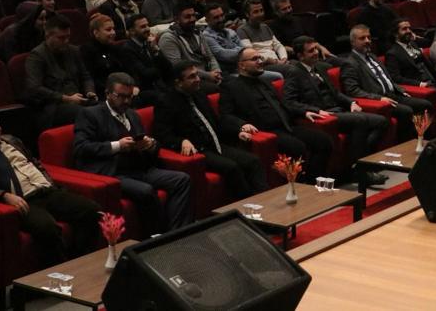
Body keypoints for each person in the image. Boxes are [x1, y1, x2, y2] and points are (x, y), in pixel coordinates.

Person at [0, 105, 102, 267]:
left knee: (92, 210)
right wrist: (3, 196)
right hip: (22, 201)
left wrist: (48, 182)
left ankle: (82, 261)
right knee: (47, 228)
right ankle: (62, 272)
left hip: (46, 191)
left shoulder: (11, 140)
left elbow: (34, 163)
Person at [73, 73, 192, 236]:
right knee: (146, 191)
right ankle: (156, 237)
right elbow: (81, 148)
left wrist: (150, 145)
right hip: (114, 173)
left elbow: (150, 145)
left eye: (129, 97)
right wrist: (118, 146)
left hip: (140, 168)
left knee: (182, 180)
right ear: (108, 94)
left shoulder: (133, 114)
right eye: (121, 96)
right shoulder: (90, 115)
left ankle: (178, 233)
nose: (127, 101)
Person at [154, 62, 267, 200]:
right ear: (178, 82)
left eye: (197, 75)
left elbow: (217, 122)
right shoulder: (166, 102)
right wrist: (181, 141)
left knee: (253, 161)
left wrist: (237, 131)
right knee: (232, 168)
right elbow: (162, 134)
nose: (198, 79)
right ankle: (247, 205)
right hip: (199, 150)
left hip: (217, 144)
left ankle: (264, 199)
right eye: (192, 77)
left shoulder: (199, 94)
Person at [283, 37, 388, 184]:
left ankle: (358, 166)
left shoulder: (320, 67)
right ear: (300, 55)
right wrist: (314, 110)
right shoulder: (294, 72)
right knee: (360, 120)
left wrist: (351, 102)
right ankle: (360, 170)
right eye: (311, 51)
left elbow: (335, 93)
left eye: (316, 48)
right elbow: (289, 102)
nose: (316, 52)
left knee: (381, 121)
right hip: (326, 115)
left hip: (338, 110)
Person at [219, 49, 333, 182]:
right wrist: (242, 124)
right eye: (255, 59)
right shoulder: (231, 87)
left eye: (260, 58)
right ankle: (303, 185)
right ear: (242, 65)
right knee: (297, 147)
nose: (260, 62)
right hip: (267, 132)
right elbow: (225, 116)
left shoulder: (263, 81)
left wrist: (304, 112)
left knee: (324, 141)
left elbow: (285, 104)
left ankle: (314, 181)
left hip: (286, 126)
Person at [341, 25, 434, 141]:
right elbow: (352, 90)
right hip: (378, 100)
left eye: (369, 37)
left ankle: (427, 142)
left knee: (425, 105)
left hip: (393, 95)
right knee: (406, 111)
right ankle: (407, 145)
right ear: (353, 42)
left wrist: (400, 90)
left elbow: (387, 78)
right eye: (362, 38)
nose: (367, 41)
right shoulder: (350, 63)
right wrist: (379, 98)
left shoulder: (372, 56)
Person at [23, 14, 97, 130]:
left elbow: (85, 76)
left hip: (78, 99)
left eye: (68, 37)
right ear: (48, 35)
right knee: (85, 113)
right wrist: (66, 98)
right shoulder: (37, 56)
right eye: (61, 38)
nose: (66, 41)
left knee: (105, 108)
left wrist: (89, 91)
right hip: (52, 107)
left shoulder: (73, 51)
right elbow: (34, 88)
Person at [157, 0, 222, 93]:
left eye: (193, 15)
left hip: (208, 74)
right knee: (218, 88)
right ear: (176, 19)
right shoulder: (168, 38)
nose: (192, 19)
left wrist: (217, 71)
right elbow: (179, 67)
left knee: (232, 82)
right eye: (187, 17)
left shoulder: (197, 32)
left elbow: (210, 56)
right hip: (188, 79)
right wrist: (208, 75)